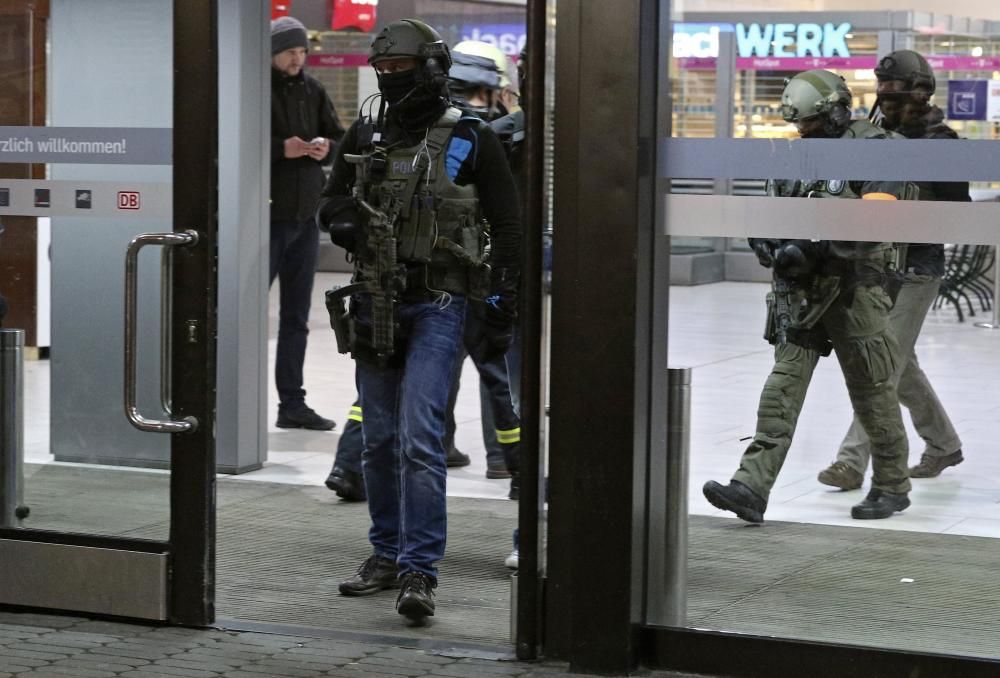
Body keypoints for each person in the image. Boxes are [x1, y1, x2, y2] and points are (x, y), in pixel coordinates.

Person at [315, 19, 521, 622]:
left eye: (403, 70)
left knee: (420, 439)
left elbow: (508, 226)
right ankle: (384, 554)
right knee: (377, 439)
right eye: (385, 71)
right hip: (377, 300)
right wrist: (342, 220)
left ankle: (418, 570)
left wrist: (501, 302)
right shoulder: (369, 129)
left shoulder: (470, 137)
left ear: (433, 68)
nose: (393, 80)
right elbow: (331, 199)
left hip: (441, 302)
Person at [702, 69, 914, 522]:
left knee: (872, 393)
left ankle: (893, 485)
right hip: (805, 295)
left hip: (856, 290)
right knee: (781, 390)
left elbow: (877, 221)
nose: (807, 133)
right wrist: (767, 240)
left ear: (838, 111)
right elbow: (774, 206)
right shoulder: (797, 154)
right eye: (802, 126)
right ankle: (751, 487)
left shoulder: (876, 150)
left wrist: (817, 246)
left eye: (814, 125)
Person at [817, 50, 967, 490]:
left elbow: (958, 208)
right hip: (878, 266)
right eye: (881, 88)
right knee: (902, 366)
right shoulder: (877, 137)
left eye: (894, 89)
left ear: (921, 92)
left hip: (919, 267)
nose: (885, 97)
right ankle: (943, 444)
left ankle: (851, 462)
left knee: (881, 366)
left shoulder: (941, 143)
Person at [440, 39, 523, 489]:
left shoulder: (438, 130)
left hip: (447, 271)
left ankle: (443, 443)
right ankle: (503, 457)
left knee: (445, 358)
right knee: (501, 363)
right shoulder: (501, 131)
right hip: (492, 269)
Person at [270, 16, 344, 431]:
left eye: (301, 52)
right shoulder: (254, 90)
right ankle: (222, 398)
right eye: (290, 52)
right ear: (273, 53)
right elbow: (228, 143)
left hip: (304, 221)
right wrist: (281, 148)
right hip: (264, 219)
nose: (298, 58)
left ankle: (292, 404)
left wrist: (326, 148)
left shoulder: (312, 89)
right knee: (238, 316)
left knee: (296, 317)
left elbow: (339, 136)